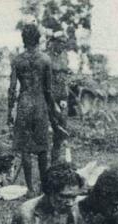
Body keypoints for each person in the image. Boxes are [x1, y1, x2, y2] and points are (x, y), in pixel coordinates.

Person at [8, 24, 60, 197]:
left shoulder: (17, 60)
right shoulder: (45, 60)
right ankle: (44, 187)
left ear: (23, 39)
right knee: (43, 148)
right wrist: (54, 109)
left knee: (25, 149)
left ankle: (30, 188)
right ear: (38, 39)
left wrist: (9, 111)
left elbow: (12, 88)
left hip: (24, 103)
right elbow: (48, 90)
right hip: (39, 104)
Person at [47, 33, 71, 165]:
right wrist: (52, 102)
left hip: (62, 97)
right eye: (60, 42)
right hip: (48, 97)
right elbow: (45, 82)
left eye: (64, 42)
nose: (62, 45)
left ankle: (54, 162)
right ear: (54, 42)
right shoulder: (46, 57)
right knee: (46, 130)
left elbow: (65, 78)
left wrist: (64, 98)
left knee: (61, 131)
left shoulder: (65, 56)